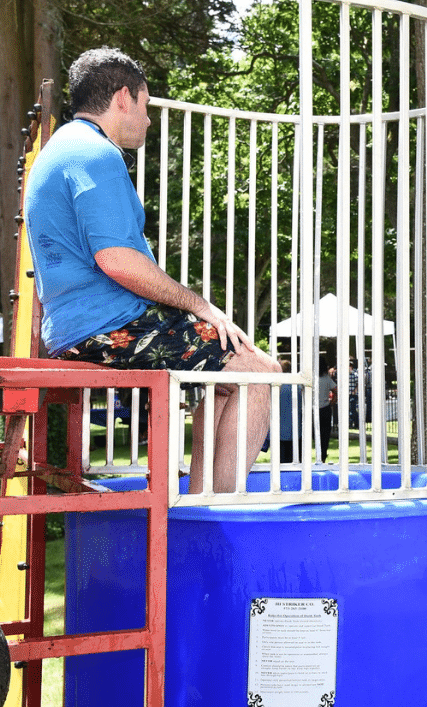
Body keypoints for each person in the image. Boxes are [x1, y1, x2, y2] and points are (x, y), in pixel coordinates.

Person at [23, 47, 281, 494]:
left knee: (227, 380)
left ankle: (203, 501)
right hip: (108, 326)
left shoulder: (60, 148)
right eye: (146, 106)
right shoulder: (94, 153)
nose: (147, 120)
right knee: (260, 371)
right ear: (124, 97)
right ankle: (219, 516)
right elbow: (117, 261)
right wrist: (202, 306)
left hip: (76, 327)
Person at [277, 359, 300, 464]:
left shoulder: (278, 387)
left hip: (280, 430)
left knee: (281, 463)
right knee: (296, 462)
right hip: (296, 429)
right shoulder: (298, 386)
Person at [316, 355, 337, 462]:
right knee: (325, 434)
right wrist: (332, 402)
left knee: (312, 434)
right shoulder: (326, 378)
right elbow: (336, 390)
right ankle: (323, 456)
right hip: (325, 409)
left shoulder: (311, 378)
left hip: (313, 410)